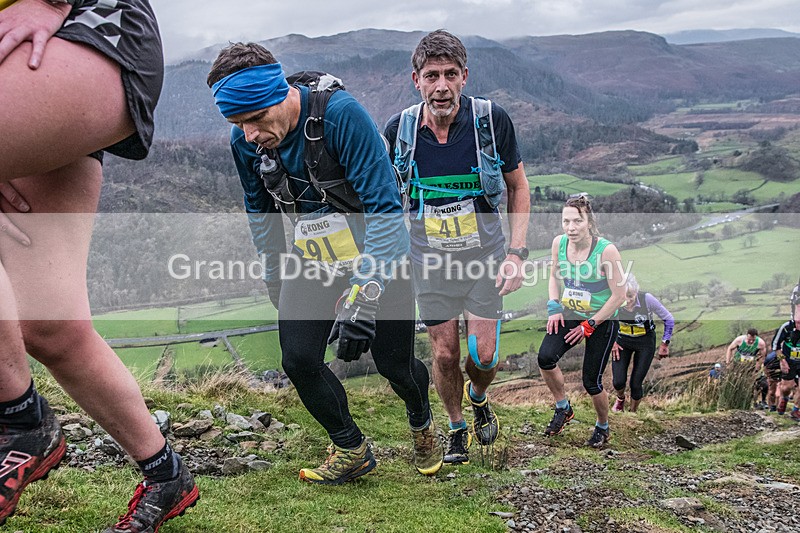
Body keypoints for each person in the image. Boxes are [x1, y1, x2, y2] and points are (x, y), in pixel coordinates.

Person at [0, 1, 198, 531]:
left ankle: (17, 423)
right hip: (35, 62)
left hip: (88, 26)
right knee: (52, 325)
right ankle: (166, 475)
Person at [206, 42, 443, 484]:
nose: (250, 135)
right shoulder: (246, 139)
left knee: (394, 364)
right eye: (238, 124)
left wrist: (365, 296)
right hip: (314, 256)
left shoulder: (340, 116)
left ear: (280, 94)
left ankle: (421, 419)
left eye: (256, 119)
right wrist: (275, 278)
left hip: (378, 250)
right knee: (297, 359)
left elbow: (385, 209)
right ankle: (350, 447)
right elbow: (260, 212)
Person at [384, 30, 529, 465]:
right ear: (417, 80)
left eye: (450, 74)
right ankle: (457, 426)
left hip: (484, 258)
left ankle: (479, 395)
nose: (441, 85)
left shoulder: (491, 121)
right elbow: (385, 202)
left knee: (483, 356)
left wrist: (516, 255)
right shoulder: (400, 132)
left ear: (464, 76)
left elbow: (518, 187)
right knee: (444, 353)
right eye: (432, 76)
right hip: (428, 261)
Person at [537, 195, 626, 448]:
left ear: (589, 222)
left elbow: (618, 296)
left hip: (602, 320)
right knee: (545, 357)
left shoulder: (606, 251)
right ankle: (563, 407)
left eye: (577, 221)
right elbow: (554, 276)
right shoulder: (559, 244)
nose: (571, 227)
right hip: (570, 311)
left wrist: (590, 325)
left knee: (591, 381)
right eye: (566, 221)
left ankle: (602, 426)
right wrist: (554, 306)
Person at [611, 273, 674, 413]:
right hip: (622, 341)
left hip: (644, 342)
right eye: (624, 297)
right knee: (618, 381)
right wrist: (612, 342)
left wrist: (665, 343)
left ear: (636, 291)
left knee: (636, 383)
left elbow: (669, 319)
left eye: (631, 296)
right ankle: (620, 399)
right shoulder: (612, 298)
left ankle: (633, 412)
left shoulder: (647, 299)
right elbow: (605, 321)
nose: (628, 301)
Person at [725, 328, 768, 408]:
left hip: (751, 365)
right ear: (746, 336)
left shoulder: (761, 343)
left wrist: (757, 368)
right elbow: (729, 349)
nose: (751, 341)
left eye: (753, 340)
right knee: (737, 382)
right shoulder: (739, 340)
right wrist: (728, 363)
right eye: (749, 339)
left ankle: (758, 402)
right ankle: (734, 401)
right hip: (738, 365)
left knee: (759, 383)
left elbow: (763, 357)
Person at [771, 308, 800, 420]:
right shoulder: (786, 327)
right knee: (787, 387)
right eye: (797, 322)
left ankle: (796, 410)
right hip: (788, 361)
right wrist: (782, 361)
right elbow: (775, 346)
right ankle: (784, 397)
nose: (799, 326)